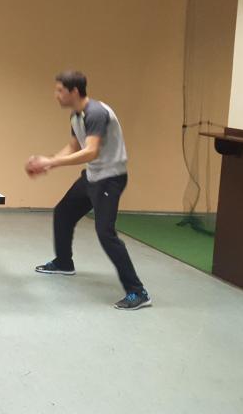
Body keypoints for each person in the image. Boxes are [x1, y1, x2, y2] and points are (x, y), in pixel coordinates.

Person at [26, 70, 151, 310]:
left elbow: (91, 151)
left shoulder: (96, 113)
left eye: (60, 90)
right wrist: (48, 162)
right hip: (93, 176)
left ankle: (137, 291)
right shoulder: (76, 116)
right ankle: (64, 262)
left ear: (74, 91)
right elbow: (74, 147)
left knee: (105, 233)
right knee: (63, 212)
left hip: (110, 179)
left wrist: (51, 162)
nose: (56, 95)